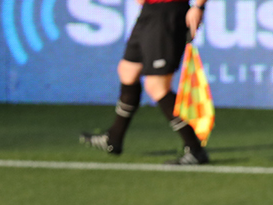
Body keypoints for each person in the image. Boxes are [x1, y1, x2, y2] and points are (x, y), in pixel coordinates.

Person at [79, 0, 210, 165]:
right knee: (128, 70)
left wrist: (198, 6)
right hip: (150, 11)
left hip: (168, 12)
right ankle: (114, 138)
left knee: (156, 86)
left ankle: (195, 149)